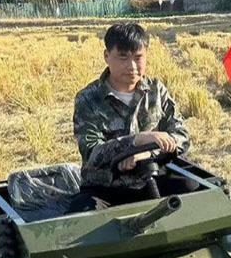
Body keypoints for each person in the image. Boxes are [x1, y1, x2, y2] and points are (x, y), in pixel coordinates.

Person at [70, 22, 192, 210]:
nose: (132, 66)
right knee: (83, 210)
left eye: (138, 57)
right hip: (107, 187)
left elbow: (181, 136)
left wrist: (147, 153)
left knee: (195, 190)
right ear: (106, 56)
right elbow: (92, 152)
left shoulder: (156, 90)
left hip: (151, 177)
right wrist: (135, 141)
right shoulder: (88, 99)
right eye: (123, 57)